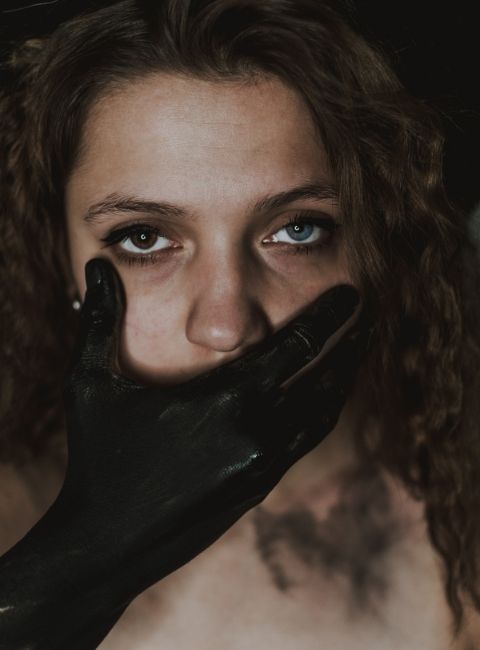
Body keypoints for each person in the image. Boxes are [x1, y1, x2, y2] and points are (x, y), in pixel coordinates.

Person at [0, 0, 479, 647]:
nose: (227, 327)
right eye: (143, 238)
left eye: (298, 230)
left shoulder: (458, 531)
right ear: (61, 261)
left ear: (379, 249)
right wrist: (82, 552)